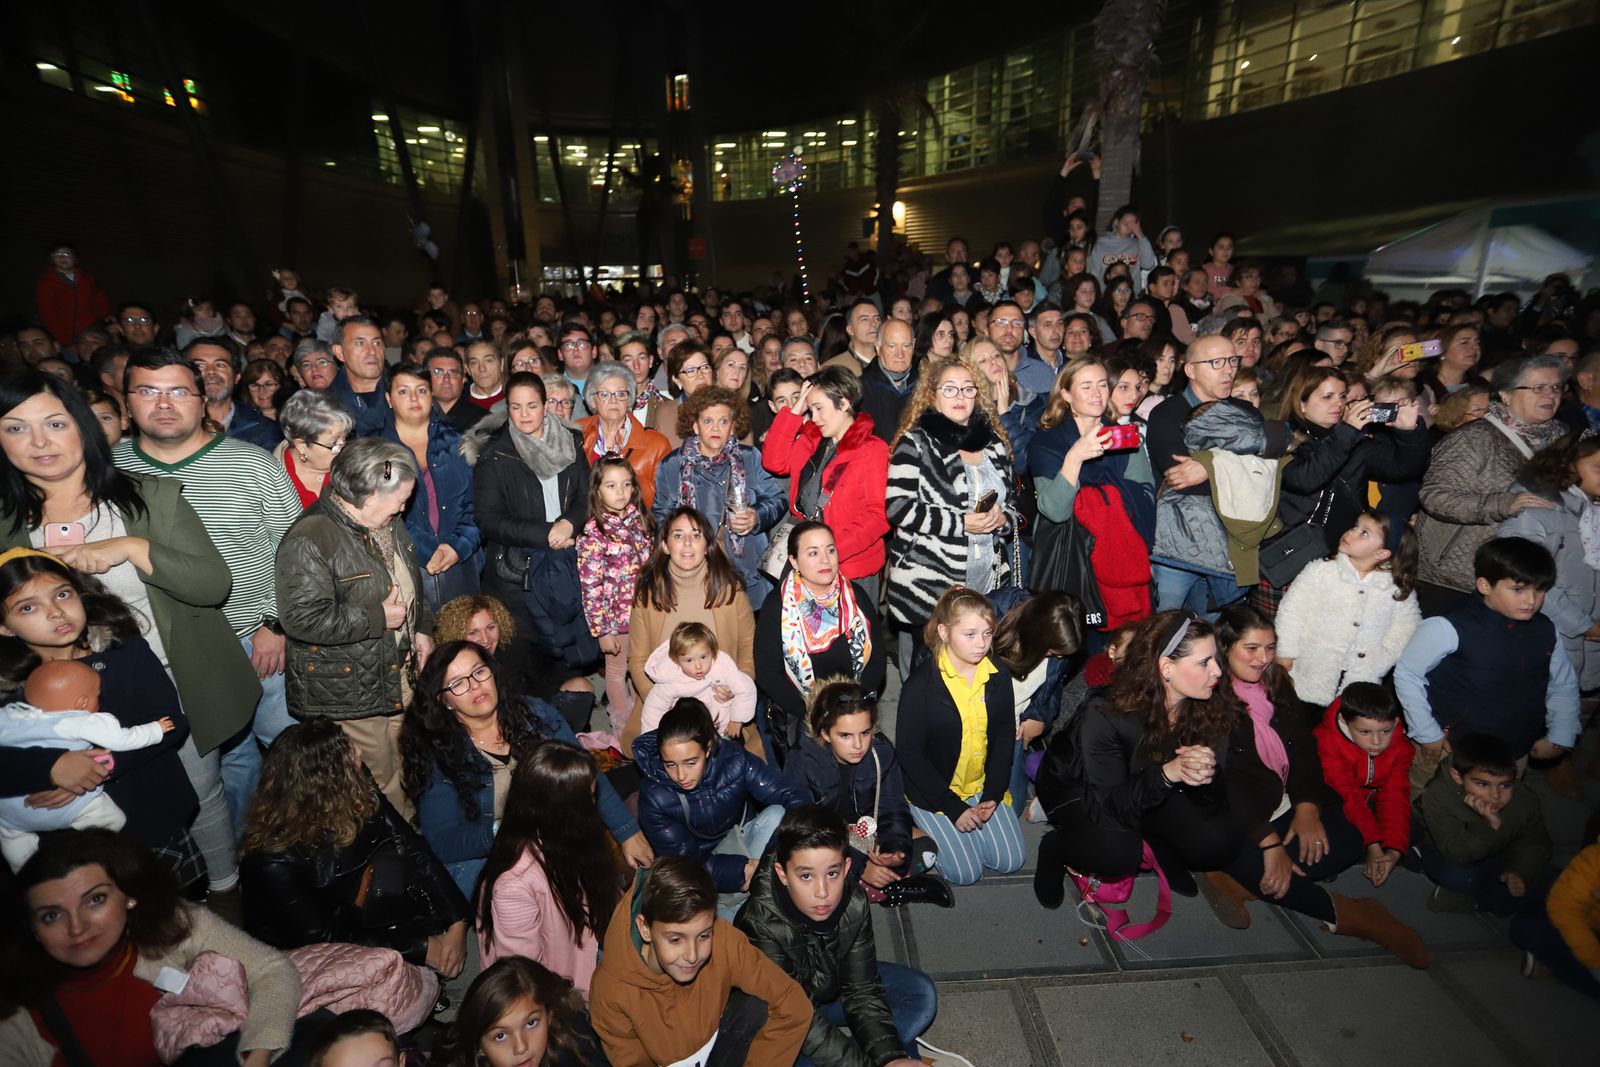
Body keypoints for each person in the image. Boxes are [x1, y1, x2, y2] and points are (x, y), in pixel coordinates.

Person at [0, 371, 255, 900]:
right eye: (16, 428)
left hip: (163, 677)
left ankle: (226, 898)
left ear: (84, 428)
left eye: (54, 423)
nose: (40, 442)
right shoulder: (6, 523)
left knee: (195, 794)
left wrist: (134, 549)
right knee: (75, 810)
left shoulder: (147, 500)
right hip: (46, 699)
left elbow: (213, 583)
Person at [114, 347, 303, 833]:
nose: (163, 404)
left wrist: (275, 623)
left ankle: (276, 852)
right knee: (199, 768)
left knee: (282, 753)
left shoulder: (251, 463)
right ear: (126, 402)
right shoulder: (108, 473)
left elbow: (296, 551)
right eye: (148, 392)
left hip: (251, 639)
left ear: (202, 400)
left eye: (178, 391)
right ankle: (228, 860)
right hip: (157, 649)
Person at [1203, 607, 1426, 962]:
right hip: (1241, 812)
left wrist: (1307, 806)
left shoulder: (1276, 681)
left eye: (1270, 647)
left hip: (1287, 798)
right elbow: (1227, 783)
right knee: (1241, 856)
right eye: (1252, 648)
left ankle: (1247, 882)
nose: (1263, 658)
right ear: (1224, 647)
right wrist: (1270, 842)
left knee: (1360, 827)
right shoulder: (1209, 696)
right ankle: (1354, 915)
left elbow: (1303, 750)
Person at [0, 829, 302, 1067]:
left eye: (95, 900)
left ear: (129, 895)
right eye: (51, 915)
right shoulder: (17, 1013)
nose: (76, 927)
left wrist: (257, 1054)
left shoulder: (168, 925)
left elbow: (271, 970)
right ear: (34, 930)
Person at [0, 550, 200, 885]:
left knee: (175, 913)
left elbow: (170, 723)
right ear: (4, 627)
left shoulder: (123, 651)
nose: (56, 612)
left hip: (149, 814)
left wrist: (97, 768)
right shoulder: (8, 686)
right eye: (28, 607)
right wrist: (52, 767)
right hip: (64, 842)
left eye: (62, 594)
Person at [402, 639, 649, 897]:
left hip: (557, 831)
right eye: (458, 683)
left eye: (478, 671)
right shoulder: (438, 754)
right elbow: (444, 842)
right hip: (495, 855)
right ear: (445, 701)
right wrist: (505, 829)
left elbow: (586, 772)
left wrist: (627, 832)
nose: (475, 685)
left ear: (491, 672)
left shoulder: (535, 714)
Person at [1032, 611, 1242, 907]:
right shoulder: (1107, 713)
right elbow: (1108, 807)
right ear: (1166, 667)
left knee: (1220, 840)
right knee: (1116, 852)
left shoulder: (1206, 703)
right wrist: (1169, 774)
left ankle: (1154, 842)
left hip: (1145, 784)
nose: (1218, 671)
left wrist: (1208, 775)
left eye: (1216, 659)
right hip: (1078, 786)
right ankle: (1054, 848)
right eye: (1204, 662)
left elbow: (1215, 799)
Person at [275, 437, 435, 816]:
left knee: (408, 762)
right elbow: (300, 619)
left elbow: (409, 579)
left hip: (396, 671)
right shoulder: (311, 537)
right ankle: (407, 853)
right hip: (351, 689)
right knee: (382, 781)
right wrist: (379, 618)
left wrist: (422, 626)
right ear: (367, 493)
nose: (405, 506)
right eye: (400, 498)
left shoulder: (387, 521)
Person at [239, 721, 471, 973]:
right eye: (348, 752)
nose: (359, 752)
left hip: (359, 904)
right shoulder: (272, 860)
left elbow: (408, 843)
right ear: (322, 782)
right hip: (301, 956)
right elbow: (324, 941)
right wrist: (422, 947)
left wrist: (457, 920)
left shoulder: (353, 779)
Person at [734, 807, 937, 1067]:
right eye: (806, 876)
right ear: (783, 874)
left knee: (919, 994)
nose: (823, 892)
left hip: (829, 991)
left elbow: (861, 989)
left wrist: (891, 1058)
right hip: (782, 1018)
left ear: (847, 867)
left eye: (832, 873)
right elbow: (794, 1015)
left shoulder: (853, 901)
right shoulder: (759, 923)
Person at [1396, 537, 1580, 796]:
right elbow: (1407, 674)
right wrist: (1427, 733)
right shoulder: (1448, 627)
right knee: (1423, 803)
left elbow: (1563, 684)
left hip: (1512, 752)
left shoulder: (1546, 630)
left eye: (1539, 590)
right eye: (1518, 589)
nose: (1531, 600)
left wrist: (1561, 732)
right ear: (1484, 585)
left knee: (1492, 819)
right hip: (1450, 749)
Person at [589, 854, 810, 1067]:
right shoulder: (611, 992)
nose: (692, 955)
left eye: (704, 935)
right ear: (645, 928)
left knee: (759, 1005)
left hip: (725, 1044)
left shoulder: (722, 938)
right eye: (676, 939)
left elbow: (792, 1003)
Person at [1416, 355, 1571, 615]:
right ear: (1506, 395)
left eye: (1556, 388)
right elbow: (1434, 496)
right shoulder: (1474, 437)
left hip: (1530, 574)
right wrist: (1503, 503)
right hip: (1458, 575)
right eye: (1538, 388)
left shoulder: (1564, 439)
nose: (1550, 394)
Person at [895, 588, 1024, 887]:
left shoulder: (997, 674)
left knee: (1011, 862)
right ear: (944, 632)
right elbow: (910, 755)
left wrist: (993, 792)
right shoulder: (919, 687)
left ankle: (962, 830)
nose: (981, 644)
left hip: (978, 783)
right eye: (969, 634)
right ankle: (916, 822)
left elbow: (1005, 733)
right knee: (966, 875)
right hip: (937, 790)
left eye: (987, 633)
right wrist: (953, 808)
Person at [784, 679, 952, 908]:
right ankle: (883, 889)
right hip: (826, 837)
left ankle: (870, 887)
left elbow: (892, 807)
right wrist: (861, 865)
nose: (858, 745)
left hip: (867, 829)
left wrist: (894, 848)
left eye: (865, 733)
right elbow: (804, 826)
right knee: (812, 870)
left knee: (926, 851)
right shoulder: (802, 759)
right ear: (825, 733)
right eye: (845, 735)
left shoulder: (881, 752)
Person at [469, 372, 597, 673]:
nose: (524, 414)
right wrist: (547, 533)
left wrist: (569, 523)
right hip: (517, 573)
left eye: (532, 405)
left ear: (546, 406)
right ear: (507, 409)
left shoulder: (570, 442)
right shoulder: (494, 454)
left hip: (568, 560)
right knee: (526, 663)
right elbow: (488, 519)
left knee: (569, 656)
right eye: (516, 407)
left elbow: (587, 495)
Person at [1262, 363, 1430, 592]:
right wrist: (1348, 431)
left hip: (1345, 553)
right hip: (1296, 556)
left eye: (1342, 396)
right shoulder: (1282, 439)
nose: (1338, 404)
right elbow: (1306, 478)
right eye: (1327, 397)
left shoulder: (1350, 439)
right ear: (1302, 404)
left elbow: (1403, 468)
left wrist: (1409, 432)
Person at [634, 698, 808, 917]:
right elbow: (685, 863)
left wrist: (771, 859)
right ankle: (744, 907)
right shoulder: (654, 796)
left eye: (690, 762)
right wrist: (740, 871)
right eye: (671, 764)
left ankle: (761, 894)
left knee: (779, 814)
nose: (680, 775)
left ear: (708, 748)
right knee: (730, 926)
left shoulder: (734, 759)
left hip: (745, 844)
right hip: (701, 872)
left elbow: (793, 795)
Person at [476, 742, 624, 998]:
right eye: (587, 798)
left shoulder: (565, 834)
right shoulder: (514, 884)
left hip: (586, 940)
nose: (594, 804)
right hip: (559, 985)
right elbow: (523, 975)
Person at [885, 358, 1017, 644]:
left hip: (987, 579)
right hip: (930, 582)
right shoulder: (916, 442)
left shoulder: (993, 442)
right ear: (933, 396)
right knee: (928, 672)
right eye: (950, 389)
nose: (960, 397)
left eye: (968, 389)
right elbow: (899, 507)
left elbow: (1013, 503)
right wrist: (962, 523)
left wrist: (1003, 519)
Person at [0, 659, 173, 868]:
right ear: (82, 703)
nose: (99, 700)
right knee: (112, 820)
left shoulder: (10, 717)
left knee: (14, 843)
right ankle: (89, 857)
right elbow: (123, 739)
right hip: (68, 807)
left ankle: (25, 870)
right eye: (97, 695)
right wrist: (155, 729)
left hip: (12, 813)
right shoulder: (77, 720)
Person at [1028, 357, 1157, 628]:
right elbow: (1055, 510)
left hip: (1122, 556)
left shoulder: (1123, 437)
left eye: (1102, 384)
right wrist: (1074, 458)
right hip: (1070, 559)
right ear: (1066, 394)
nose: (1097, 394)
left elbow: (1145, 495)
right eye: (1086, 386)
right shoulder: (1046, 443)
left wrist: (1102, 501)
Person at [622, 508, 758, 752]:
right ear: (664, 545)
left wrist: (736, 687)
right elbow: (638, 660)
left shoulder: (730, 590)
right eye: (678, 536)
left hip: (722, 710)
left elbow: (749, 649)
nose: (687, 543)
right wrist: (662, 700)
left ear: (707, 545)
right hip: (666, 711)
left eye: (696, 536)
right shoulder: (648, 595)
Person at [755, 522, 887, 757]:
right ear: (794, 561)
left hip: (855, 712)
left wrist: (854, 706)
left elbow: (877, 659)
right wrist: (813, 713)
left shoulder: (855, 596)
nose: (825, 560)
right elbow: (767, 673)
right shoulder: (778, 606)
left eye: (830, 550)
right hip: (803, 716)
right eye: (813, 553)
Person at [761, 370, 891, 600]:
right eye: (810, 410)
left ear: (844, 403)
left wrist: (828, 551)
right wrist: (796, 409)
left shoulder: (872, 449)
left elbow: (877, 517)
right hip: (807, 565)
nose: (814, 417)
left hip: (850, 568)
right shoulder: (811, 440)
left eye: (819, 408)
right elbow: (773, 461)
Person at [653, 385, 785, 610]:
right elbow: (660, 518)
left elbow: (778, 499)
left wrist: (756, 516)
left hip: (747, 573)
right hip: (695, 572)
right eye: (708, 421)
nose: (716, 428)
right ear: (695, 425)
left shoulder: (749, 457)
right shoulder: (672, 465)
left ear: (733, 426)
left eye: (723, 421)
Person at [1273, 510, 1421, 707]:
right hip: (1308, 673)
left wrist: (1380, 661)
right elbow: (1291, 612)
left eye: (1364, 533)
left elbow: (1406, 628)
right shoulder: (1321, 571)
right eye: (1355, 526)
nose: (1351, 533)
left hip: (1359, 681)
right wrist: (1285, 652)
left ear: (1382, 553)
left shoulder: (1396, 588)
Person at [379, 363, 481, 613]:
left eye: (422, 390)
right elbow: (379, 516)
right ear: (389, 399)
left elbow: (480, 504)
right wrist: (428, 550)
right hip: (403, 567)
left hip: (462, 563)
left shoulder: (459, 441)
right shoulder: (375, 450)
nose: (414, 398)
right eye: (403, 391)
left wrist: (457, 546)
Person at [1415, 733, 1552, 915]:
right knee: (1459, 876)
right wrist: (1486, 826)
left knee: (1555, 885)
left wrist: (1520, 872)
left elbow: (1535, 842)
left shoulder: (1524, 799)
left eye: (1504, 785)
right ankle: (1480, 898)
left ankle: (1481, 898)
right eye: (1482, 784)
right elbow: (1455, 852)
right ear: (1457, 776)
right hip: (1454, 855)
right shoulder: (1437, 795)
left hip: (1501, 859)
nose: (1495, 795)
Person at [577, 454, 654, 734]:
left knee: (641, 667)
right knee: (617, 671)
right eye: (611, 486)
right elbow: (591, 587)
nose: (620, 492)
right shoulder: (594, 533)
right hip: (615, 620)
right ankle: (623, 726)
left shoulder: (641, 522)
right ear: (597, 490)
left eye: (626, 485)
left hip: (644, 614)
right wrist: (602, 631)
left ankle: (642, 717)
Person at [1313, 682, 1416, 889]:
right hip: (1333, 803)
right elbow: (1348, 797)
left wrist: (1393, 851)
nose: (1377, 742)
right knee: (1337, 839)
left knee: (1409, 831)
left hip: (1368, 804)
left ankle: (1378, 853)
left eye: (1385, 731)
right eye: (1365, 732)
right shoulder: (1326, 741)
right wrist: (1373, 845)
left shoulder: (1400, 747)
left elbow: (1395, 796)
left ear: (1396, 723)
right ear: (1344, 721)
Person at [440, 957, 607, 1067]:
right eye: (500, 1036)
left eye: (531, 1023)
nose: (521, 1047)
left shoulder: (574, 1042)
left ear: (549, 1016)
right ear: (479, 1047)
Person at [1508, 835, 1600, 1001]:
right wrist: (1594, 961)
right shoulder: (1595, 858)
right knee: (1525, 927)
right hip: (1588, 927)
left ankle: (1561, 967)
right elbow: (1564, 906)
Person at [577, 362, 671, 510]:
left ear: (629, 398)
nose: (613, 400)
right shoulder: (576, 434)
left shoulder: (656, 444)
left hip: (637, 525)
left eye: (621, 394)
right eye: (604, 394)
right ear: (592, 399)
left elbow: (665, 504)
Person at [639, 622, 758, 737]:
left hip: (723, 728)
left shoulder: (722, 665)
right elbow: (653, 710)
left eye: (703, 657)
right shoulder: (670, 679)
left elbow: (746, 689)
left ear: (712, 652)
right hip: (688, 735)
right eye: (689, 660)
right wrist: (650, 740)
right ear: (676, 660)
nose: (698, 666)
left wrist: (736, 720)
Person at [275, 388, 355, 508]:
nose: (343, 448)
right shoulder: (272, 481)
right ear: (301, 445)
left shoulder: (353, 467)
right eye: (333, 443)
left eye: (345, 438)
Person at [35, 245, 110, 349]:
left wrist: (105, 315)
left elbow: (99, 297)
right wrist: (64, 340)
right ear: (51, 258)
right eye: (58, 254)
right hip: (64, 336)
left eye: (67, 254)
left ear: (75, 260)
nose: (63, 257)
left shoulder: (87, 278)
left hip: (89, 330)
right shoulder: (46, 283)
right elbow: (47, 312)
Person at [330, 315, 392, 437]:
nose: (372, 351)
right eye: (360, 343)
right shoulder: (325, 404)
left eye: (377, 343)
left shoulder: (407, 390)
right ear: (339, 353)